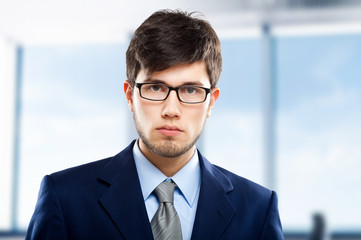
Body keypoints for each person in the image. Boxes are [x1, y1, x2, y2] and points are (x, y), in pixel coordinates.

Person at [26, 9, 284, 240]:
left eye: (191, 90)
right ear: (130, 95)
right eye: (155, 87)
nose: (171, 110)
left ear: (211, 102)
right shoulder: (65, 198)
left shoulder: (258, 209)